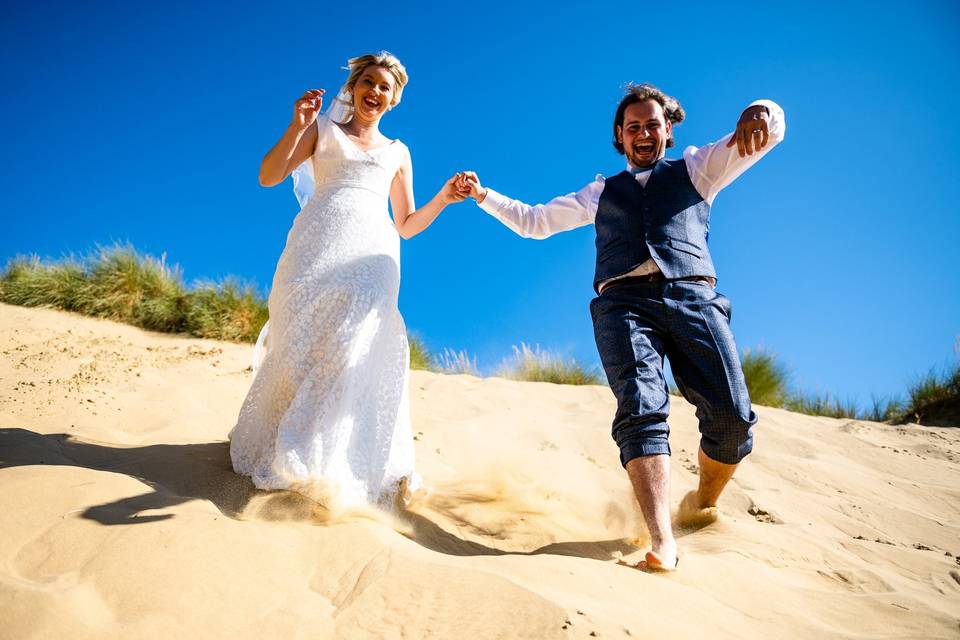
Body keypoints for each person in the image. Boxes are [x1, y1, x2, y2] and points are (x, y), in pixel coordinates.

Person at [461, 83, 785, 571]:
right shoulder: (600, 192)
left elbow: (769, 132)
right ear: (620, 135)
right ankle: (662, 538)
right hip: (623, 304)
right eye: (633, 126)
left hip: (694, 296)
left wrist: (762, 110)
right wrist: (483, 195)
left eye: (652, 124)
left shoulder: (699, 168)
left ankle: (701, 499)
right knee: (640, 408)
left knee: (732, 417)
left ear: (667, 130)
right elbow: (534, 221)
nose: (643, 133)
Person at [230, 52, 468, 510]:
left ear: (394, 99)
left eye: (385, 88)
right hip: (313, 251)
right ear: (354, 86)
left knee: (352, 346)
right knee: (302, 348)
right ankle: (290, 447)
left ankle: (319, 463)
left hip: (374, 258)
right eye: (369, 83)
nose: (375, 92)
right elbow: (268, 176)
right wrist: (298, 124)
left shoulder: (398, 152)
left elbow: (407, 223)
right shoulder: (321, 131)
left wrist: (443, 197)